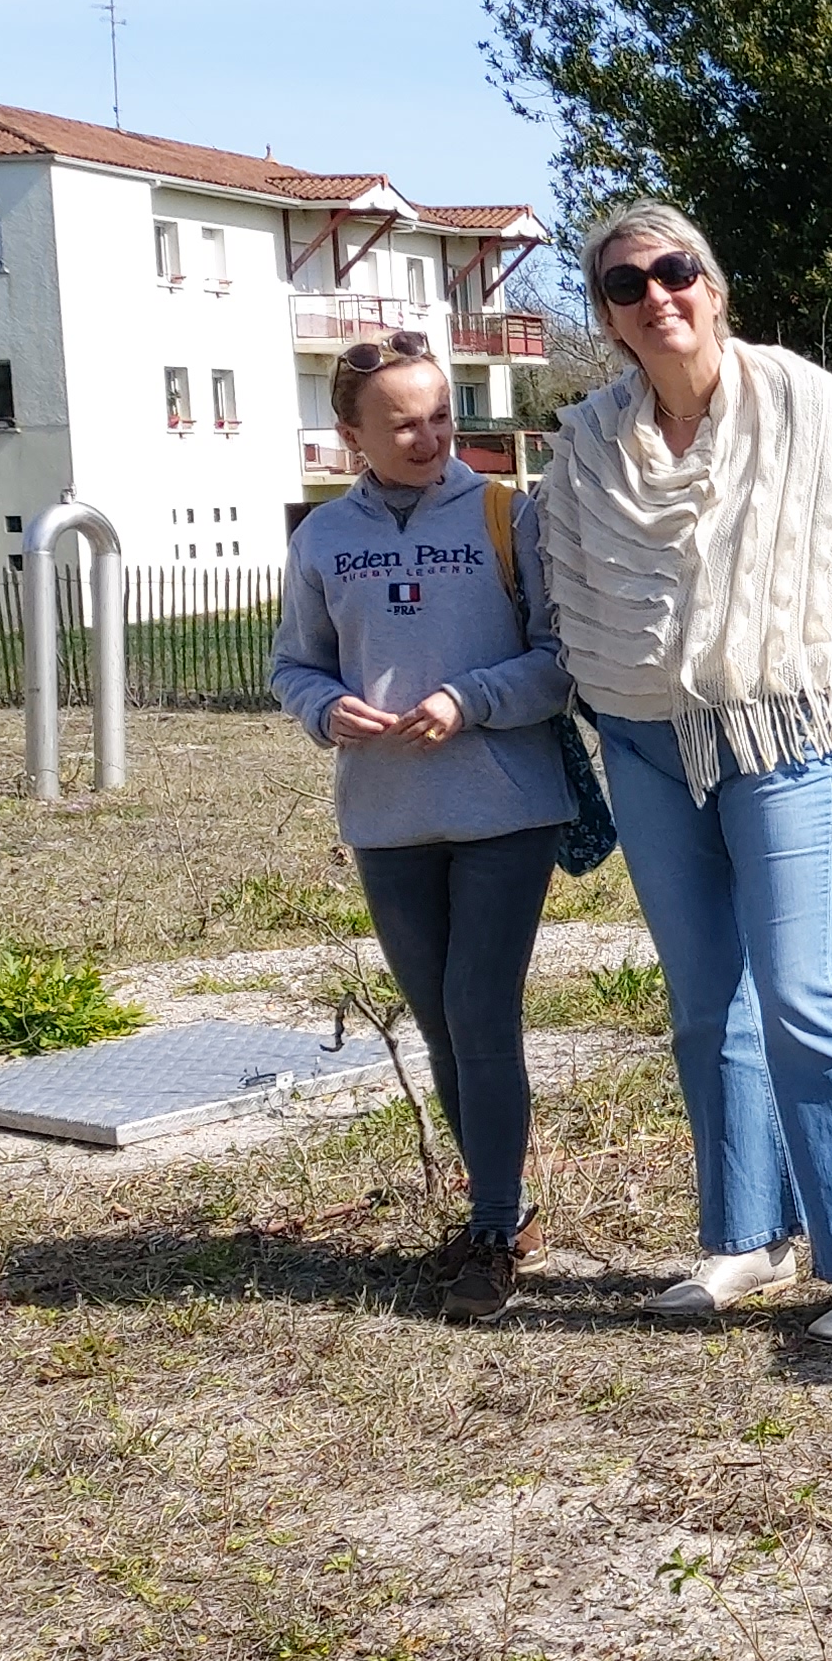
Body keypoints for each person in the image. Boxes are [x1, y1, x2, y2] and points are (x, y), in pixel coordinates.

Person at [528, 201, 832, 1343]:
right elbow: (567, 591)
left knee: (801, 992)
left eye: (675, 272)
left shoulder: (811, 413)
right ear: (606, 318)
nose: (655, 295)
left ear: (713, 287)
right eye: (625, 284)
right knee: (707, 999)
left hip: (784, 730)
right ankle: (749, 1238)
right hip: (644, 739)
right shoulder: (589, 450)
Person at [269, 331, 577, 1326]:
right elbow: (294, 667)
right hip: (387, 819)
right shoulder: (319, 540)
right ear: (349, 432)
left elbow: (559, 660)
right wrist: (325, 710)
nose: (429, 435)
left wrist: (469, 700)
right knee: (443, 1023)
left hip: (504, 810)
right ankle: (503, 1210)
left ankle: (493, 1229)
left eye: (441, 414)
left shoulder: (507, 514)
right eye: (402, 421)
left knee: (480, 1012)